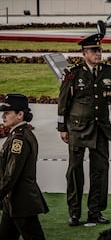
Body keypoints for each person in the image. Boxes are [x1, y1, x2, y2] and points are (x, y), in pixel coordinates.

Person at [58, 32, 111, 226]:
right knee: (75, 171)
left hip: (101, 128)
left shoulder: (109, 72)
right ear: (84, 53)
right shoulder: (73, 73)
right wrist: (62, 127)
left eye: (99, 50)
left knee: (100, 171)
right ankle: (74, 212)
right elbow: (63, 102)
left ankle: (95, 211)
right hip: (78, 129)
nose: (98, 53)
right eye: (94, 50)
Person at [0, 93, 49, 239]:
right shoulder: (19, 134)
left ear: (20, 114)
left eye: (7, 112)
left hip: (21, 202)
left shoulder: (19, 140)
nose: (3, 116)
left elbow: (11, 174)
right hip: (14, 202)